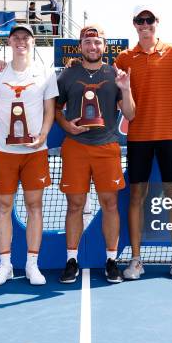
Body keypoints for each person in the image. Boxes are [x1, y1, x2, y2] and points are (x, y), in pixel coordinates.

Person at [114, 5, 172, 282]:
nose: (145, 24)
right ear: (134, 24)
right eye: (139, 20)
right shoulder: (124, 58)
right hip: (138, 137)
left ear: (157, 22)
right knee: (136, 198)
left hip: (170, 134)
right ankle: (135, 260)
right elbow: (128, 113)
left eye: (149, 20)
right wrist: (126, 88)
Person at [0, 24, 58, 286]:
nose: (21, 42)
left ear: (33, 43)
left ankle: (32, 265)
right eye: (16, 38)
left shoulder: (46, 73)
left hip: (35, 152)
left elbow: (49, 111)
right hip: (2, 151)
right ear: (10, 43)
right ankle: (5, 265)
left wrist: (44, 135)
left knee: (35, 206)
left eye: (26, 38)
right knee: (3, 207)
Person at [55, 24, 135, 284]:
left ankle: (111, 260)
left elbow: (131, 114)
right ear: (81, 46)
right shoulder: (67, 75)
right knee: (75, 205)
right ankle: (71, 260)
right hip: (75, 148)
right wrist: (66, 125)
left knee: (109, 204)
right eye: (88, 43)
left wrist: (126, 88)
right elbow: (54, 108)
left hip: (106, 147)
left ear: (104, 46)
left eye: (97, 43)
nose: (93, 47)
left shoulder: (115, 74)